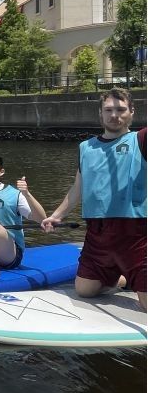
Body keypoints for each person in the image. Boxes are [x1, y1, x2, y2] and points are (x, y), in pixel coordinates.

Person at [42, 88, 146, 310]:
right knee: (85, 291)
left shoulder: (141, 140)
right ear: (100, 114)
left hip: (135, 232)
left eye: (121, 109)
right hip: (97, 234)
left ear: (132, 112)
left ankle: (131, 274)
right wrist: (56, 216)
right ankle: (123, 276)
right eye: (108, 110)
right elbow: (78, 187)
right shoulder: (86, 147)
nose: (114, 115)